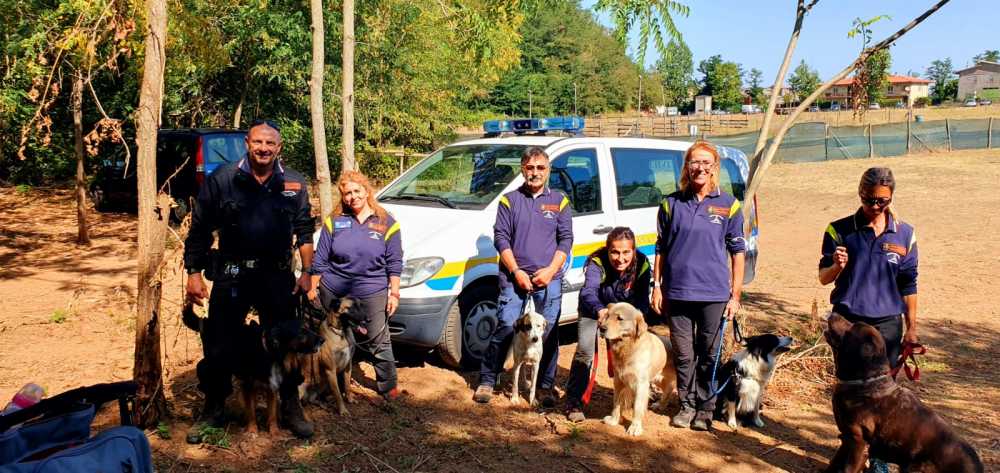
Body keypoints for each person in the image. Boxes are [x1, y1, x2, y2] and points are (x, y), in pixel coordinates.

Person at [183, 119, 316, 440]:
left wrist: (308, 272)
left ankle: (289, 405)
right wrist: (193, 273)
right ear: (247, 143)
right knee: (218, 342)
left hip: (277, 275)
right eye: (258, 142)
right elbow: (200, 228)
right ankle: (214, 406)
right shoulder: (223, 179)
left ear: (279, 147)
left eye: (270, 144)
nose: (264, 148)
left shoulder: (294, 184)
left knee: (288, 342)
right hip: (232, 274)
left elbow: (304, 230)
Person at [651, 140, 745, 432]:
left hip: (714, 294)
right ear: (686, 167)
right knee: (683, 354)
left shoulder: (729, 204)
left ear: (715, 168)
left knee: (708, 353)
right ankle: (687, 405)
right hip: (678, 293)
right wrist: (657, 286)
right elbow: (660, 249)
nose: (700, 168)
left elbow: (738, 252)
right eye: (694, 162)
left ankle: (705, 409)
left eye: (706, 163)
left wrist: (735, 295)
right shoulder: (670, 203)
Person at [473, 147, 573, 407]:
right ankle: (487, 378)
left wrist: (551, 271)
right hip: (513, 278)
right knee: (506, 325)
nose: (535, 173)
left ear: (548, 170)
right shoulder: (509, 201)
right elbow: (501, 238)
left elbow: (566, 240)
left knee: (547, 332)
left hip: (548, 279)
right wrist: (516, 271)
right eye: (530, 167)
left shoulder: (559, 201)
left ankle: (545, 386)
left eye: (541, 167)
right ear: (522, 169)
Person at [308, 170, 403, 401]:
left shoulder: (387, 222)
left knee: (377, 339)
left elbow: (395, 262)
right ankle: (324, 384)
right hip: (335, 290)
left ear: (366, 190)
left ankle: (388, 386)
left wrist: (395, 293)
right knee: (331, 337)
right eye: (347, 193)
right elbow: (320, 259)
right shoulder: (335, 222)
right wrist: (312, 287)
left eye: (356, 191)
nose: (352, 197)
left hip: (371, 291)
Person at [819, 167, 918, 368]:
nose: (875, 206)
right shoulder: (838, 230)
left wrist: (911, 328)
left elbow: (908, 285)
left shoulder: (905, 234)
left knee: (882, 388)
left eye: (882, 201)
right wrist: (837, 266)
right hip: (848, 323)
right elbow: (823, 278)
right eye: (869, 200)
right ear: (860, 194)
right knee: (850, 385)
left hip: (888, 325)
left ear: (891, 198)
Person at [564, 227, 651, 422]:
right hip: (594, 308)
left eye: (626, 252)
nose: (620, 258)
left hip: (621, 316)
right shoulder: (597, 263)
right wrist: (600, 310)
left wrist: (634, 321)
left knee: (630, 353)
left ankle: (628, 398)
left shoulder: (643, 263)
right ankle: (574, 401)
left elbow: (643, 302)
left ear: (634, 251)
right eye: (615, 252)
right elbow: (588, 292)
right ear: (607, 250)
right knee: (585, 351)